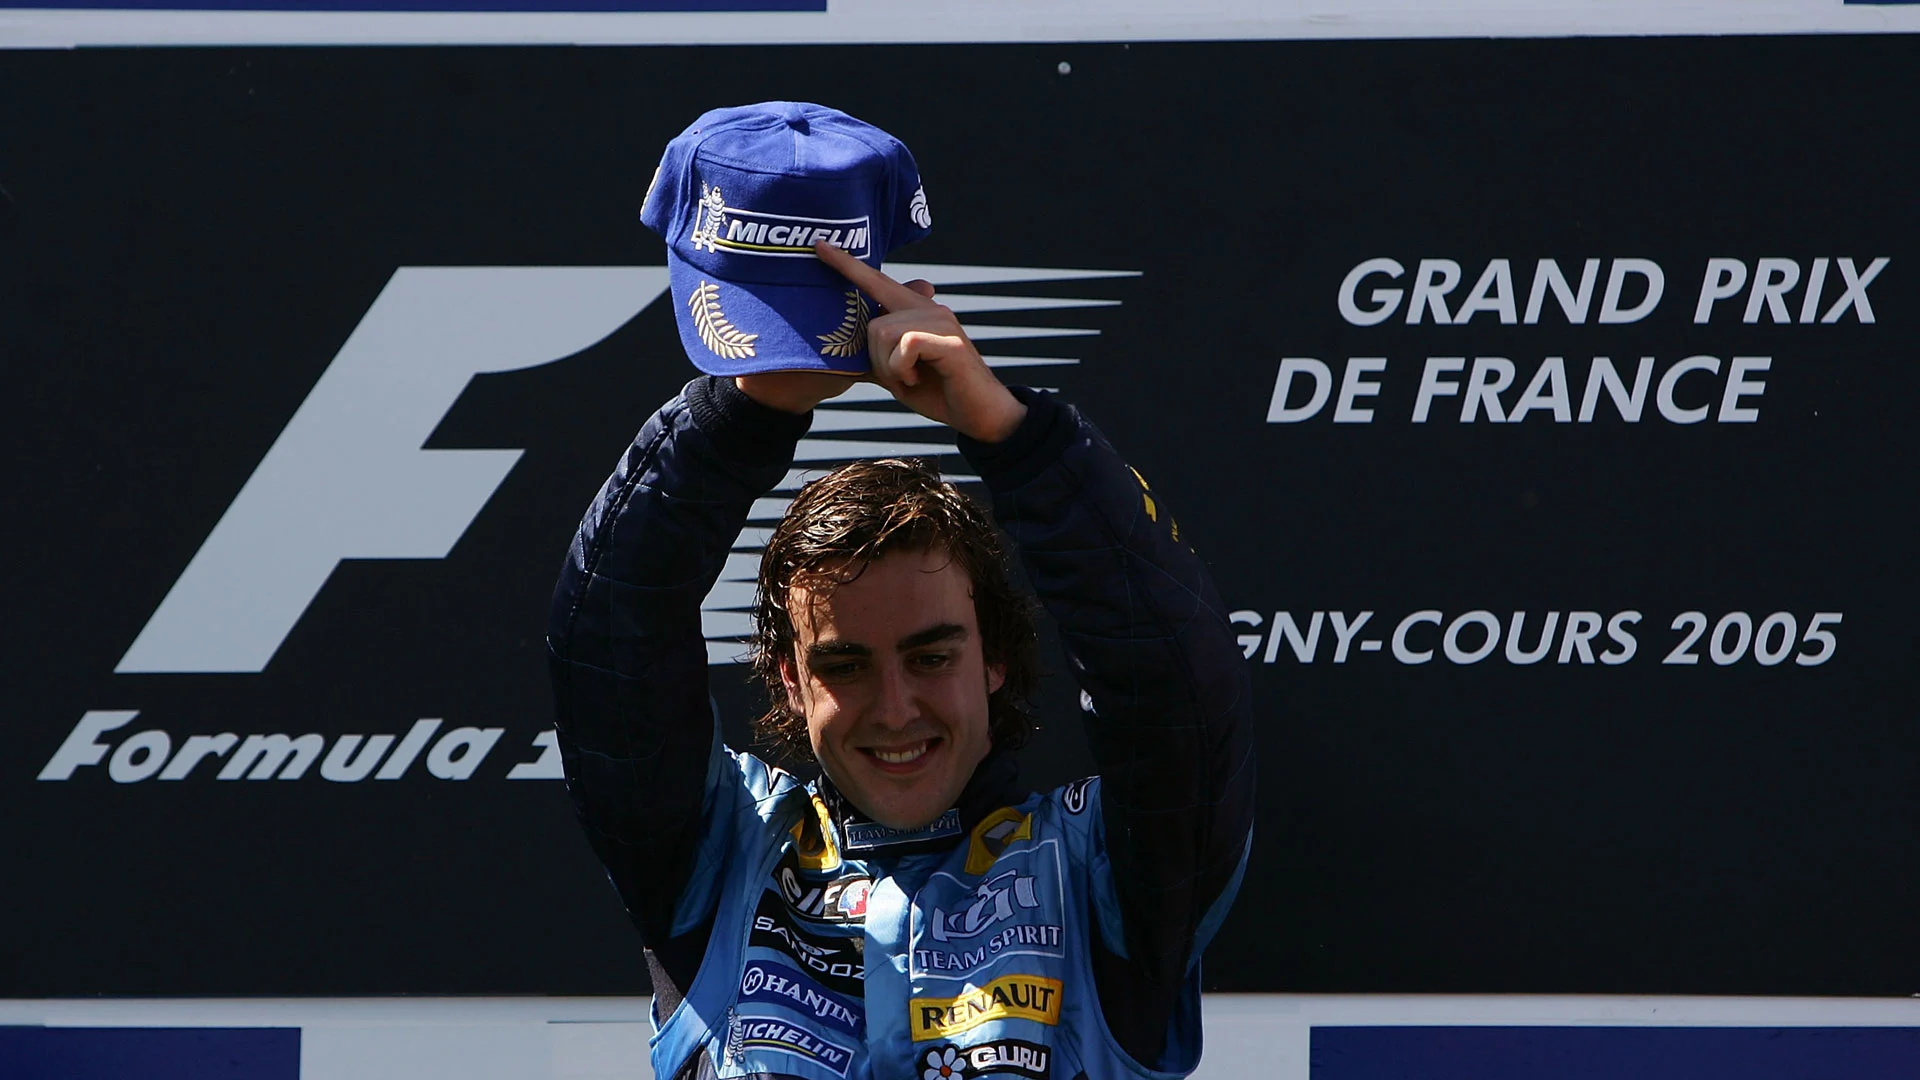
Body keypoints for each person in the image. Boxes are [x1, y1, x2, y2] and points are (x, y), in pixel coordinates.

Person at [548, 102, 1254, 1080]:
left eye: (932, 655)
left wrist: (1009, 435)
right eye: (844, 664)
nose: (896, 708)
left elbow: (1181, 688)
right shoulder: (718, 860)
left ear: (997, 657)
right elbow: (607, 634)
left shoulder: (1098, 876)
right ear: (790, 681)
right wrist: (752, 408)